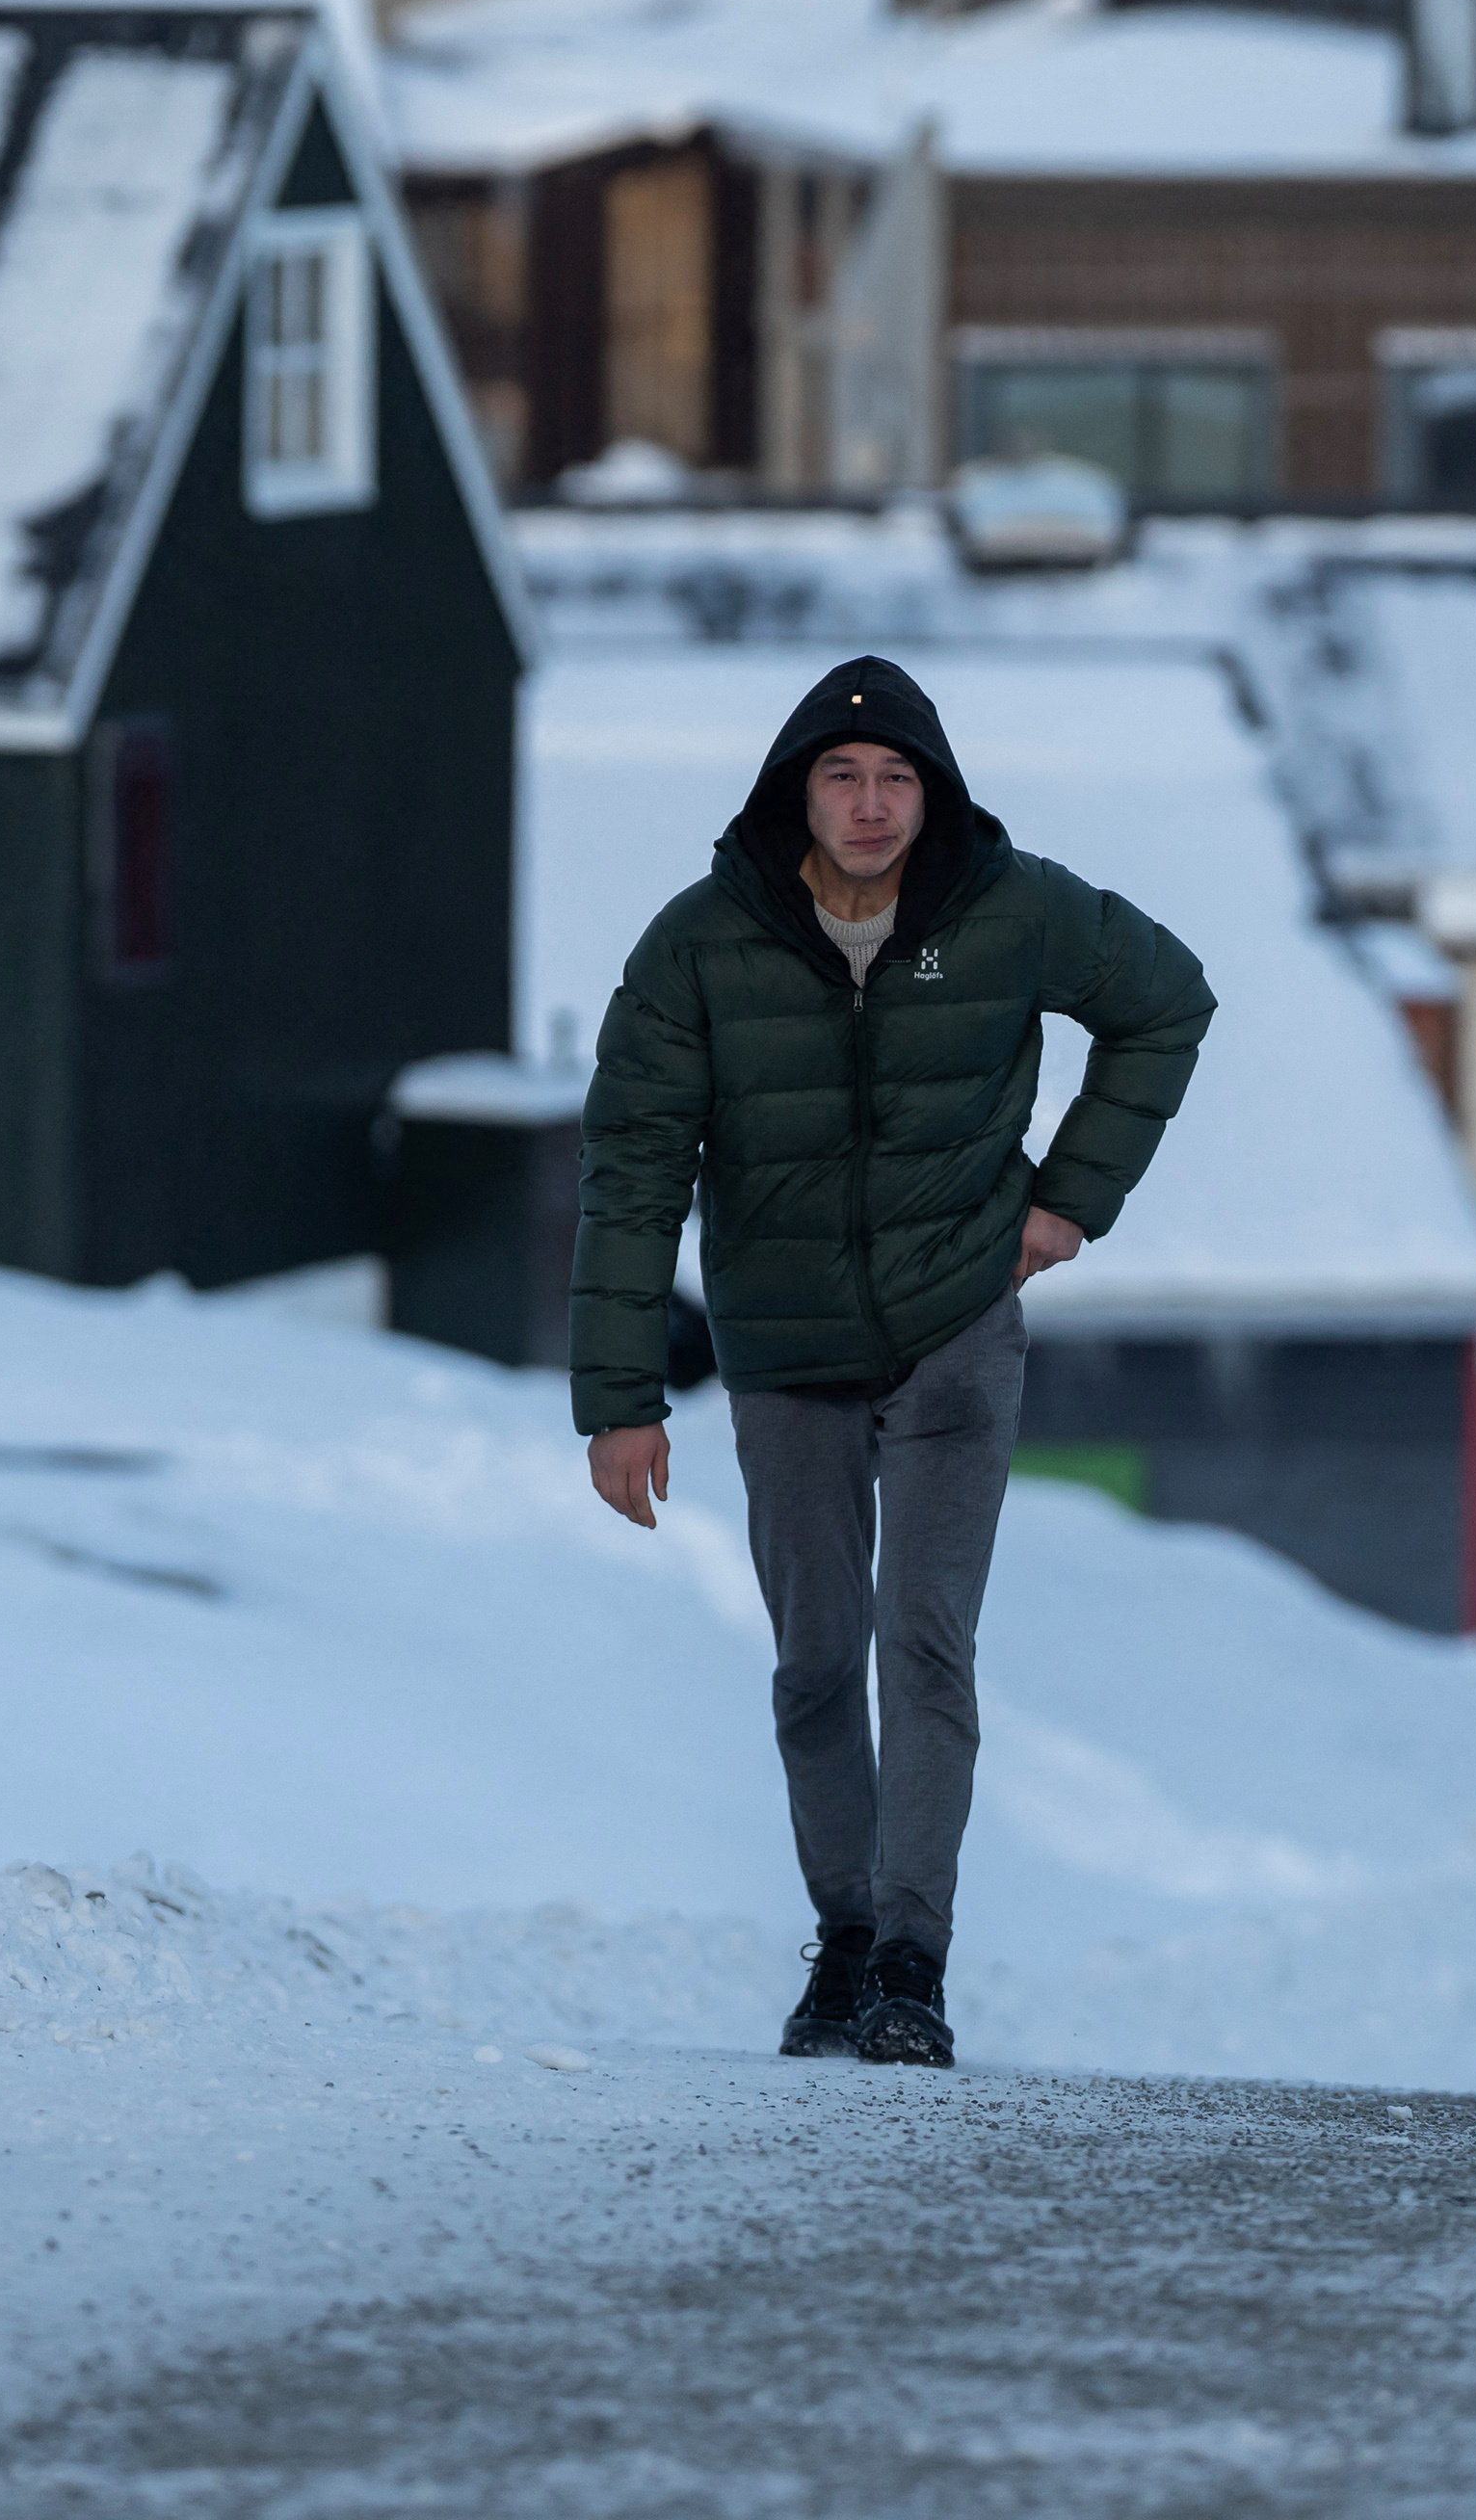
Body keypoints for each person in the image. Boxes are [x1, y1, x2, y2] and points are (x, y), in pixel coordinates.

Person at [571, 655, 1212, 2074]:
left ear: (936, 790)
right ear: (795, 790)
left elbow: (1168, 1001)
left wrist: (1066, 1203)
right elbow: (629, 1174)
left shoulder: (1008, 908)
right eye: (843, 777)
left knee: (926, 1646)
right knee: (815, 1662)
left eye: (898, 779)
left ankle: (913, 1962)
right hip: (786, 1343)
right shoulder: (701, 944)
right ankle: (846, 1935)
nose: (871, 806)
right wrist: (619, 1399)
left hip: (954, 1329)